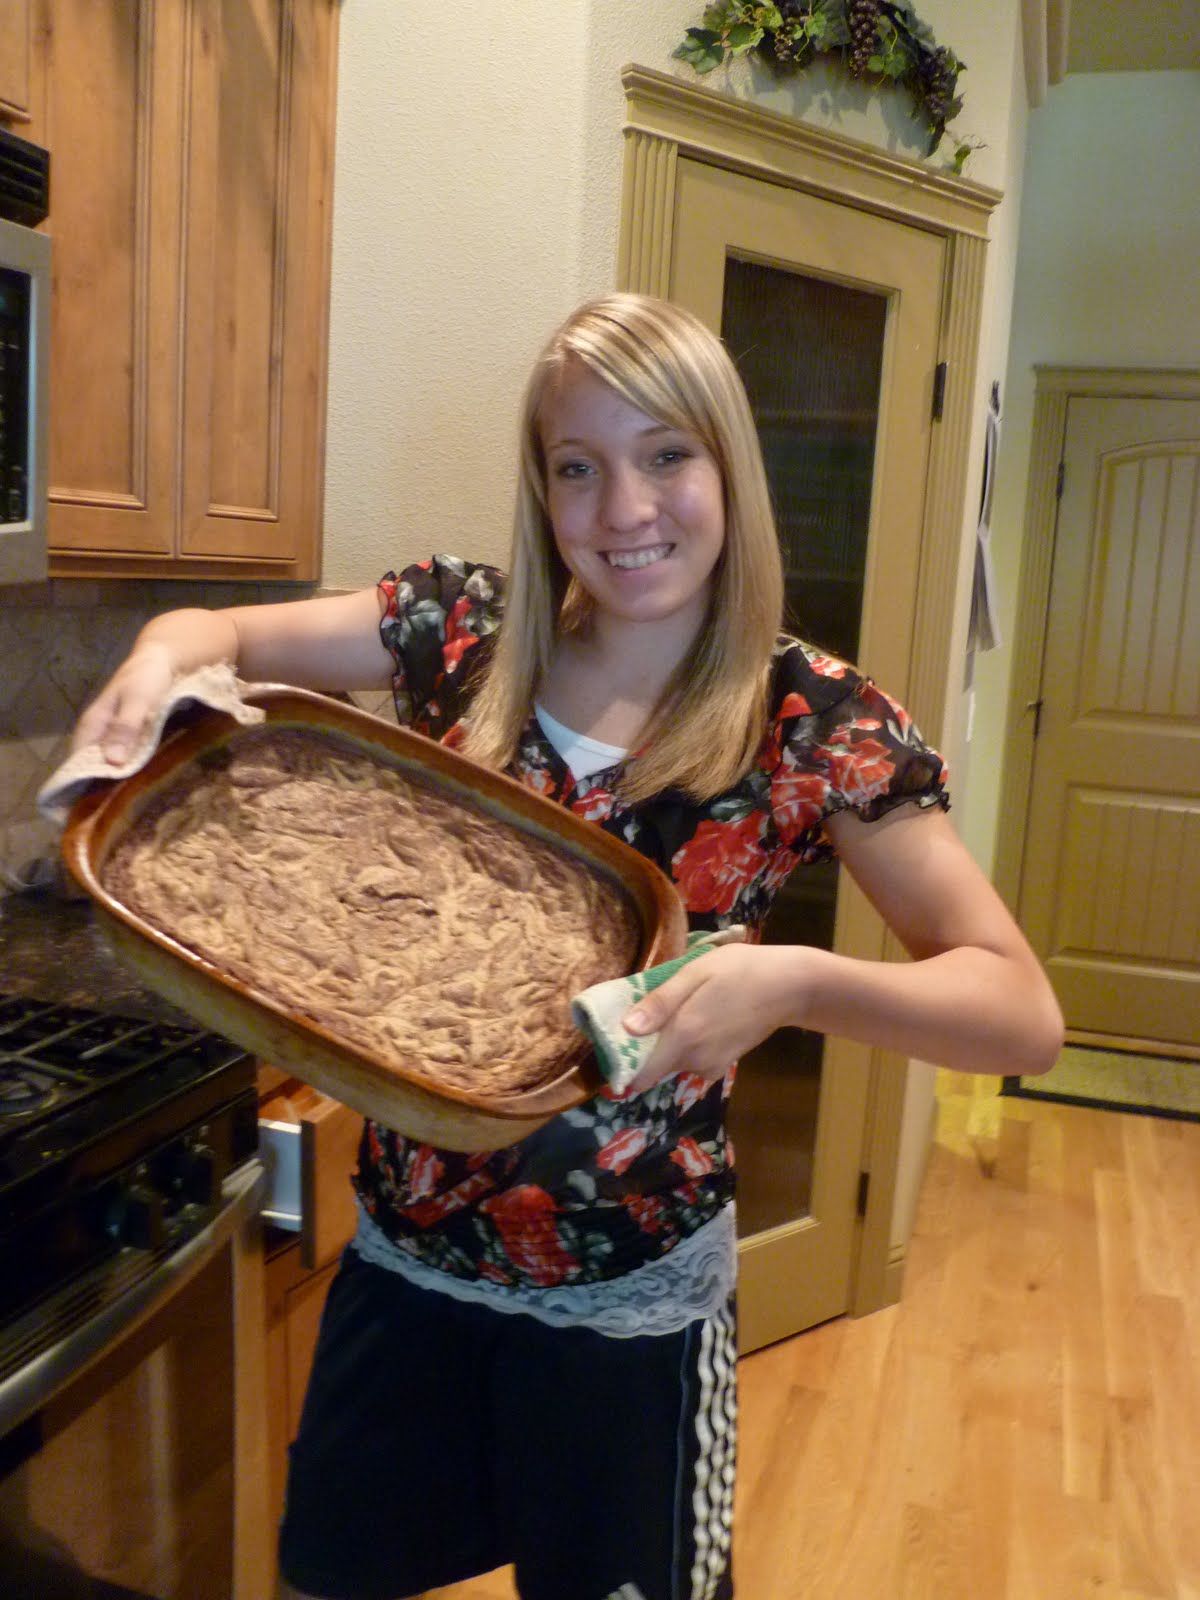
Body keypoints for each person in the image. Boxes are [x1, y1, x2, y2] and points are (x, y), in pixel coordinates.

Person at [73, 293, 1063, 1600]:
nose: (624, 509)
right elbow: (229, 637)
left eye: (667, 456)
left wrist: (796, 986)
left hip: (630, 1317)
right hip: (406, 1269)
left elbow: (1019, 1011)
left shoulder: (813, 720)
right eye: (577, 468)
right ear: (544, 494)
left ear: (728, 471)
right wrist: (157, 658)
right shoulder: (466, 640)